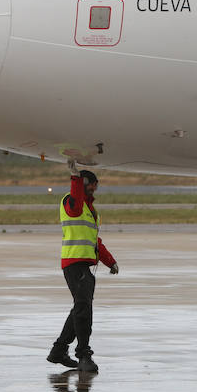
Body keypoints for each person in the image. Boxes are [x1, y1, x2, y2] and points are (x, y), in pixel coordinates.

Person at [47, 159, 118, 373]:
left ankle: (59, 350)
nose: (94, 189)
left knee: (80, 308)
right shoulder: (72, 202)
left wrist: (110, 261)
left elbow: (95, 241)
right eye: (92, 185)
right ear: (84, 183)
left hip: (83, 266)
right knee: (83, 310)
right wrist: (75, 178)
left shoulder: (90, 210)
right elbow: (75, 205)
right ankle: (84, 355)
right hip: (74, 263)